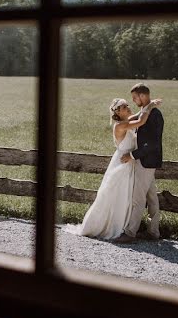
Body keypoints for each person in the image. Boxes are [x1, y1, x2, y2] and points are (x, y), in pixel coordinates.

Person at [64, 95, 162, 241]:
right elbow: (141, 120)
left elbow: (137, 116)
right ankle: (108, 226)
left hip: (130, 162)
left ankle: (133, 227)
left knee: (126, 195)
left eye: (128, 105)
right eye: (124, 107)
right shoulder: (120, 125)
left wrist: (147, 107)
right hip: (122, 163)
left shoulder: (125, 121)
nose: (128, 107)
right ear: (118, 112)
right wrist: (150, 106)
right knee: (114, 195)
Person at [114, 82, 164, 243]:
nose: (134, 101)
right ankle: (153, 232)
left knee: (138, 198)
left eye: (135, 98)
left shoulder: (154, 115)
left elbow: (152, 143)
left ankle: (130, 232)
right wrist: (149, 106)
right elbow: (136, 119)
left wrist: (133, 155)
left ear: (142, 96)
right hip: (148, 161)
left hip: (145, 161)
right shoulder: (146, 111)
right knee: (152, 198)